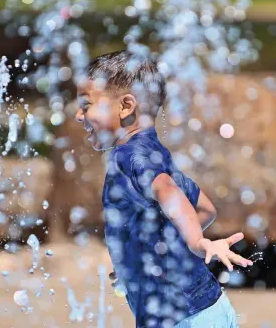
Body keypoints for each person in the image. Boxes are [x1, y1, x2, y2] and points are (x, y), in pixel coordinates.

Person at [74, 50, 253, 327]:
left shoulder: (128, 157)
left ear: (125, 106)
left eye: (86, 105)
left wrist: (197, 242)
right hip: (210, 308)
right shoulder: (156, 154)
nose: (78, 115)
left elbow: (167, 191)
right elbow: (205, 209)